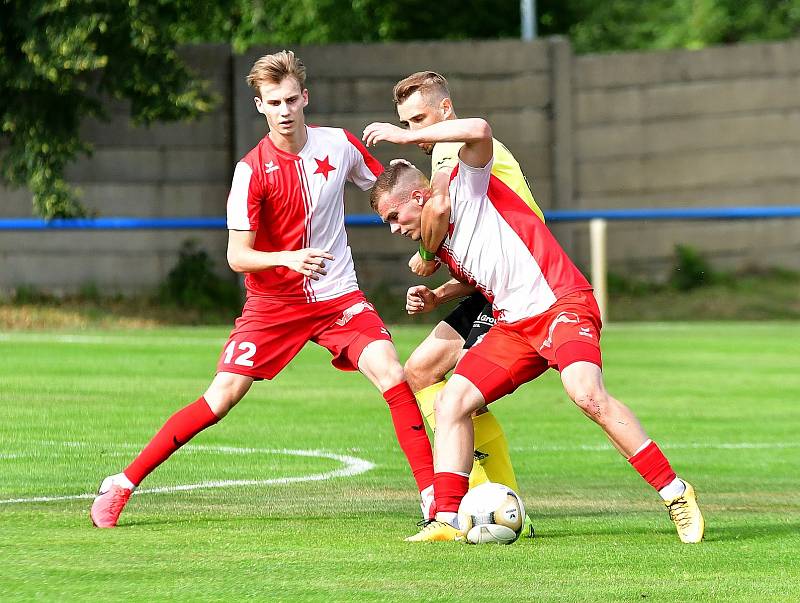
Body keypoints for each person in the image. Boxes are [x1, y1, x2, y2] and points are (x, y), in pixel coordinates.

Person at [90, 50, 435, 528]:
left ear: (305, 97)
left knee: (391, 373)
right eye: (274, 102)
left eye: (292, 98)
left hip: (338, 298)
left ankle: (434, 499)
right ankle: (122, 483)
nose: (286, 109)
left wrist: (415, 170)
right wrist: (288, 258)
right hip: (274, 305)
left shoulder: (339, 146)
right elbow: (237, 256)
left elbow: (388, 187)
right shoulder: (250, 171)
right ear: (260, 106)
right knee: (221, 397)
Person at [362, 116, 705, 544]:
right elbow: (488, 270)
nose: (394, 228)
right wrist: (438, 297)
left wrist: (407, 137)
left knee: (586, 394)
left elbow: (481, 130)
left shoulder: (466, 184)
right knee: (453, 402)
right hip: (515, 326)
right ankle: (447, 519)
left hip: (562, 303)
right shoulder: (440, 242)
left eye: (394, 216)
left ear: (418, 196)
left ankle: (675, 493)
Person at [391, 71, 543, 536]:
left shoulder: (446, 147)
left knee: (463, 392)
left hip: (528, 281)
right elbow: (474, 262)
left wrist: (425, 257)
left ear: (445, 111)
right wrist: (439, 293)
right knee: (419, 371)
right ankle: (480, 502)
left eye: (419, 119)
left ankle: (484, 507)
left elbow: (435, 207)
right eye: (406, 122)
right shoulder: (449, 155)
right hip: (493, 284)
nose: (415, 132)